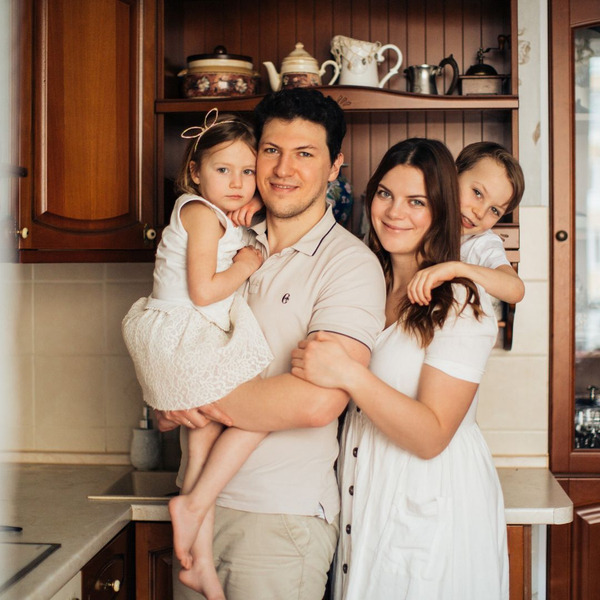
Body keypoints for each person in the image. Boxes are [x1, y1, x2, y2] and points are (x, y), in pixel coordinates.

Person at [156, 88, 387, 600]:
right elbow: (173, 342)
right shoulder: (221, 236)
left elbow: (316, 402)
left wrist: (189, 393)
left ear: (334, 167)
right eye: (270, 150)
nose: (284, 169)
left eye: (305, 153)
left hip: (278, 522)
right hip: (196, 503)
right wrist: (164, 401)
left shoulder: (349, 265)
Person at [291, 138, 509, 599]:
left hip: (430, 501)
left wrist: (348, 373)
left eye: (417, 201)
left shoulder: (463, 302)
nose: (394, 212)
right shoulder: (366, 279)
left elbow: (432, 436)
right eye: (386, 194)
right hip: (361, 493)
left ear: (442, 210)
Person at [122, 110, 274, 599]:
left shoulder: (213, 214)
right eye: (222, 170)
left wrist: (253, 221)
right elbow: (206, 291)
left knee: (201, 446)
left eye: (247, 171)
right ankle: (193, 521)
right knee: (263, 410)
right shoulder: (201, 214)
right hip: (183, 335)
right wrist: (249, 261)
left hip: (176, 337)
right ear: (195, 173)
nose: (237, 182)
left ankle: (199, 560)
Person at [407, 141, 525, 307]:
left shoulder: (481, 242)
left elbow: (516, 289)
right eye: (477, 193)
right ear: (454, 175)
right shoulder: (421, 214)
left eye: (495, 210)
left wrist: (456, 269)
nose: (480, 212)